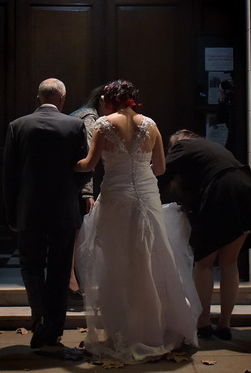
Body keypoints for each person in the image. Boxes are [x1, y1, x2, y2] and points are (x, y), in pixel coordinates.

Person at [73, 80, 200, 363]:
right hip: (146, 198)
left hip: (116, 200)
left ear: (110, 100)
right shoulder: (151, 125)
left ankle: (123, 330)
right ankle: (152, 329)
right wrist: (138, 173)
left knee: (118, 264)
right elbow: (160, 169)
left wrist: (68, 163)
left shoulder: (103, 125)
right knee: (151, 261)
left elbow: (89, 164)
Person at [3, 78, 91, 351]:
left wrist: (12, 214)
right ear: (62, 99)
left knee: (30, 266)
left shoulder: (18, 126)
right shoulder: (75, 125)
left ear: (38, 97)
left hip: (29, 210)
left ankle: (39, 317)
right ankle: (54, 329)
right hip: (63, 210)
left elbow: (10, 175)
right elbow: (84, 169)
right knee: (59, 267)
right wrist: (71, 193)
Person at [160, 130, 251, 341]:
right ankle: (224, 324)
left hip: (223, 192)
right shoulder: (212, 149)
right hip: (247, 189)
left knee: (204, 262)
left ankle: (203, 323)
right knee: (230, 262)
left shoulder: (183, 147)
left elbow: (161, 171)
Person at [66, 86, 106, 303]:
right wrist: (87, 192)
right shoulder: (90, 119)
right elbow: (87, 157)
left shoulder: (83, 114)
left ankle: (72, 279)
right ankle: (71, 280)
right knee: (76, 231)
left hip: (72, 181)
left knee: (76, 231)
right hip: (76, 182)